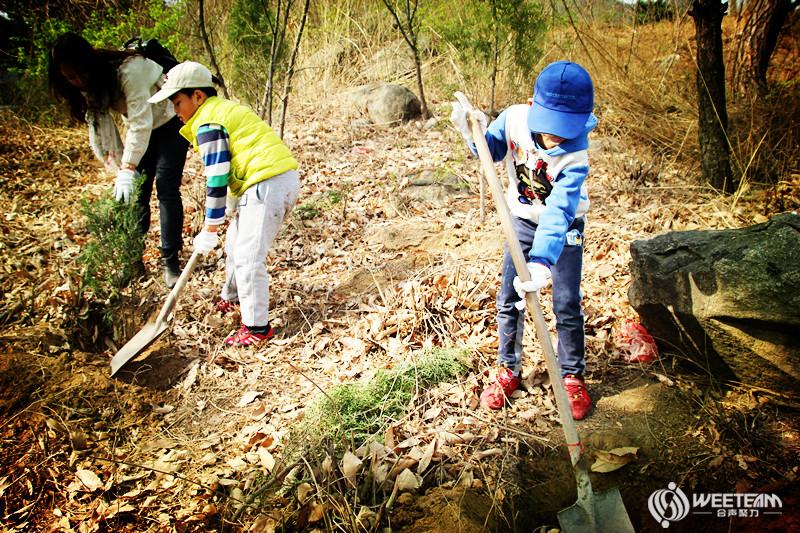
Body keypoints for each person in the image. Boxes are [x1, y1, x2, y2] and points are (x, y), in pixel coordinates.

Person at [451, 61, 597, 420]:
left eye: (566, 129)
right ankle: (508, 370)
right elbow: (492, 152)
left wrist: (543, 261)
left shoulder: (575, 153)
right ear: (534, 106)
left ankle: (572, 376)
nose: (556, 138)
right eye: (551, 128)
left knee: (565, 302)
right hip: (521, 221)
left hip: (565, 229)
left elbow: (560, 211)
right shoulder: (515, 118)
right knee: (510, 298)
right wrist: (475, 135)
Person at [148, 61, 300, 347]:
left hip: (267, 182)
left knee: (247, 257)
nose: (175, 111)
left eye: (177, 102)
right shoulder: (221, 112)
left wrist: (210, 224)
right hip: (267, 180)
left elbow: (216, 176)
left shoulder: (208, 122)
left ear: (198, 96)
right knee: (234, 245)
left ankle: (256, 328)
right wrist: (230, 207)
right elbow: (236, 159)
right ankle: (232, 298)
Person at [48, 32, 189, 288]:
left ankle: (170, 263)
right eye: (70, 77)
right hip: (144, 130)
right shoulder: (92, 89)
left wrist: (129, 165)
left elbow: (140, 121)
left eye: (80, 72)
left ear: (88, 62)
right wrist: (121, 169)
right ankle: (133, 261)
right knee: (137, 196)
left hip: (169, 122)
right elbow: (101, 133)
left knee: (167, 189)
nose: (78, 81)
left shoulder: (129, 70)